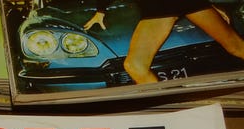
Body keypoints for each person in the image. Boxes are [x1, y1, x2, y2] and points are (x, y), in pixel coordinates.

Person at [83, 0, 244, 84]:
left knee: (235, 47)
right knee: (135, 66)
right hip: (157, 8)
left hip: (172, 5)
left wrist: (208, 5)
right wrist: (101, 10)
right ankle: (166, 116)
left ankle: (167, 117)